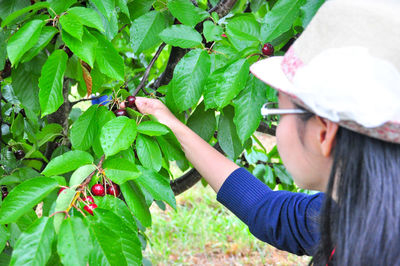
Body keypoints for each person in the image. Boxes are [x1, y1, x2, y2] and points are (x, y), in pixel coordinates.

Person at [124, 0, 400, 264]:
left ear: (323, 134)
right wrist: (169, 121)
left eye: (278, 114)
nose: (277, 130)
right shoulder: (352, 214)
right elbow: (265, 209)